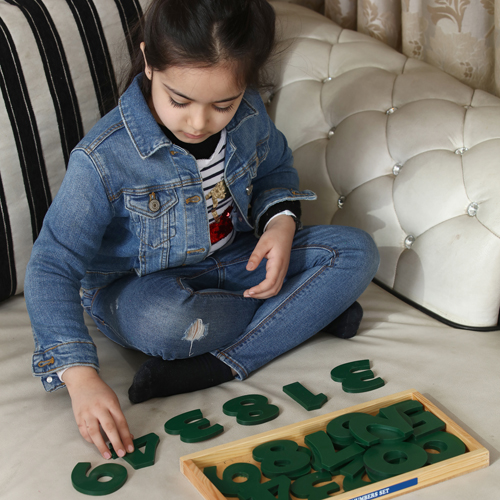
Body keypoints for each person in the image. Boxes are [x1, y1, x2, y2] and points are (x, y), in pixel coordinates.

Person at [25, 0, 379, 462]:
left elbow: (276, 169)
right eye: (180, 100)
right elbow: (52, 265)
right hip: (137, 291)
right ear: (149, 60)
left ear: (245, 85)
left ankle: (216, 363)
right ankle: (303, 312)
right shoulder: (102, 159)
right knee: (167, 324)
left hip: (236, 261)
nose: (198, 122)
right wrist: (80, 377)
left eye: (222, 104)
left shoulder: (250, 115)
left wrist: (281, 223)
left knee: (356, 252)